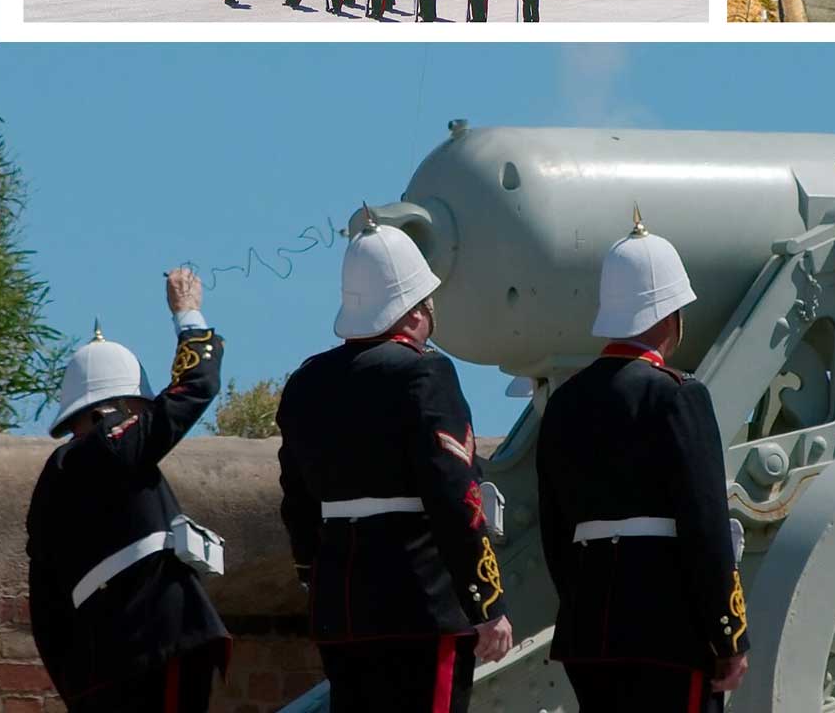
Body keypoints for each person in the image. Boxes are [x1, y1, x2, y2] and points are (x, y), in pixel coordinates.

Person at [276, 210, 514, 713]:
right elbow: (456, 493)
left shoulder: (305, 383)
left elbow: (297, 501)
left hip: (341, 613)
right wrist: (486, 601)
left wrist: (315, 579)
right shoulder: (425, 372)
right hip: (420, 602)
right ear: (415, 308)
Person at [536, 209, 749, 711]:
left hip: (589, 631)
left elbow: (555, 530)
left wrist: (582, 604)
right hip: (668, 629)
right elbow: (705, 523)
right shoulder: (677, 395)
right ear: (671, 315)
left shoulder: (564, 402)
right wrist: (728, 635)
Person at [26, 269, 230, 713]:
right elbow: (196, 386)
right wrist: (187, 314)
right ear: (110, 412)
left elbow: (45, 614)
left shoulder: (52, 486)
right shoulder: (108, 447)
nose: (144, 417)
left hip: (98, 673)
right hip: (153, 644)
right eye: (139, 407)